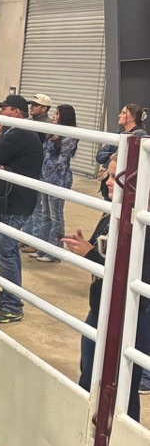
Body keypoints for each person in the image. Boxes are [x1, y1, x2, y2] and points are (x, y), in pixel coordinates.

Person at [63, 154, 150, 421]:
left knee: (123, 387)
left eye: (114, 177)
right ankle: (85, 434)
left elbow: (139, 273)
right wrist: (86, 249)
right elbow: (99, 249)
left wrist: (90, 253)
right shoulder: (112, 212)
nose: (107, 182)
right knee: (89, 373)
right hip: (100, 307)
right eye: (108, 175)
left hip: (131, 316)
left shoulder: (144, 223)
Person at [0, 94, 44, 323]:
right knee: (8, 251)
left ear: (16, 112)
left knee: (4, 251)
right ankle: (8, 295)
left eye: (4, 109)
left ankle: (12, 305)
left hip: (12, 202)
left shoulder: (19, 133)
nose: (0, 113)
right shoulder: (20, 132)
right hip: (12, 200)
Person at [29, 105, 78, 263]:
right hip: (45, 177)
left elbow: (62, 160)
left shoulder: (69, 136)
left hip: (59, 179)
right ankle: (43, 248)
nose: (54, 116)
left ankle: (54, 252)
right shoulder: (53, 133)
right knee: (46, 215)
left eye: (57, 114)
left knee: (56, 216)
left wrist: (50, 174)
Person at [95, 104, 148, 201]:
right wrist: (113, 156)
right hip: (110, 186)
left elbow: (126, 160)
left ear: (132, 118)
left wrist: (114, 157)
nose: (119, 115)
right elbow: (99, 156)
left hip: (123, 186)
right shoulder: (119, 134)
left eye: (123, 113)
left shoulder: (139, 136)